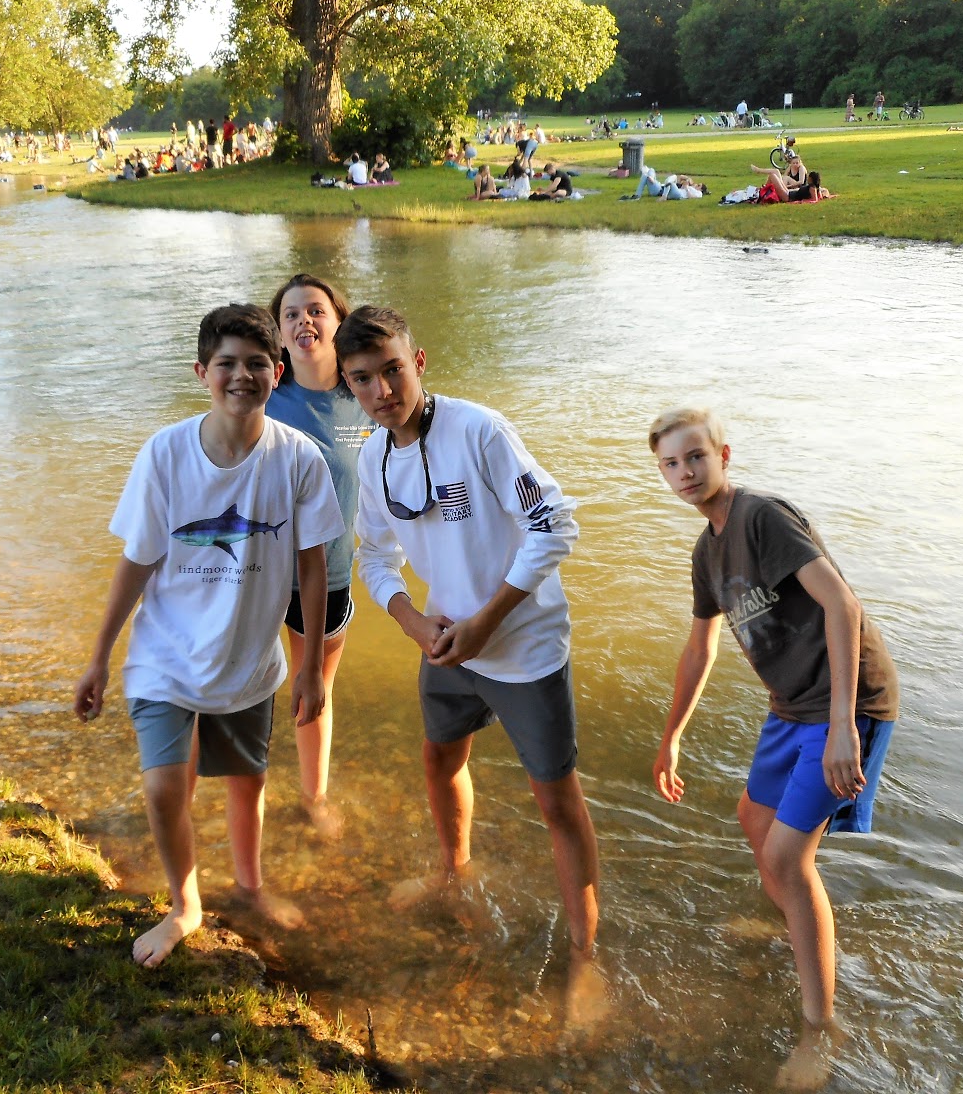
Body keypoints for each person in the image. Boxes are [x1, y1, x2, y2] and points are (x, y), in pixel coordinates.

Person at [337, 305, 605, 1028]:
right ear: (349, 387)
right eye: (363, 379)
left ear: (418, 362)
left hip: (522, 647)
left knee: (556, 802)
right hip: (446, 644)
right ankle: (453, 870)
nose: (382, 389)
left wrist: (490, 618)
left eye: (392, 369)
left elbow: (555, 523)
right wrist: (415, 622)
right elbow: (372, 554)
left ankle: (585, 958)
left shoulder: (480, 431)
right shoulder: (371, 456)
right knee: (438, 759)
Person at [73, 303, 347, 967]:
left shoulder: (300, 460)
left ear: (276, 374)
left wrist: (311, 669)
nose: (241, 376)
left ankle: (249, 888)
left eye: (257, 364)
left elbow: (312, 564)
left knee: (247, 786)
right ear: (202, 372)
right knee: (166, 786)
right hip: (165, 654)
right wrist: (99, 658)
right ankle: (185, 902)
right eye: (226, 363)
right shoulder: (165, 454)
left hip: (250, 659)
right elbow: (136, 560)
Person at [647, 407, 898, 1087]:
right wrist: (671, 738)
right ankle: (794, 928)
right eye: (671, 463)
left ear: (724, 455)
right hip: (791, 706)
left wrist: (844, 725)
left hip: (848, 700)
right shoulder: (707, 550)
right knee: (754, 821)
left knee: (788, 856)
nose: (685, 473)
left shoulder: (762, 517)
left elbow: (841, 605)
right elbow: (699, 646)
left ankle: (821, 1028)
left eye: (696, 456)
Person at [265, 276, 374, 836]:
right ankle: (239, 795)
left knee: (315, 687)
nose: (304, 321)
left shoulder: (365, 395)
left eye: (316, 310)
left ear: (339, 322)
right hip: (258, 572)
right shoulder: (262, 394)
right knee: (246, 684)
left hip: (330, 573)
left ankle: (313, 799)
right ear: (278, 334)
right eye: (291, 314)